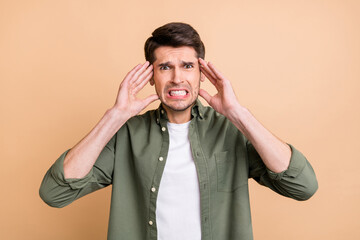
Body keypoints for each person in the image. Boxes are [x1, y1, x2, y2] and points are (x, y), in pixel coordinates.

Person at [39, 22, 318, 240]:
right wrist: (114, 117)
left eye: (187, 66)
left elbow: (302, 186)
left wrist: (239, 114)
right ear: (151, 76)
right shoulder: (126, 135)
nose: (177, 78)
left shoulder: (232, 130)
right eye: (165, 67)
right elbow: (55, 193)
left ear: (201, 73)